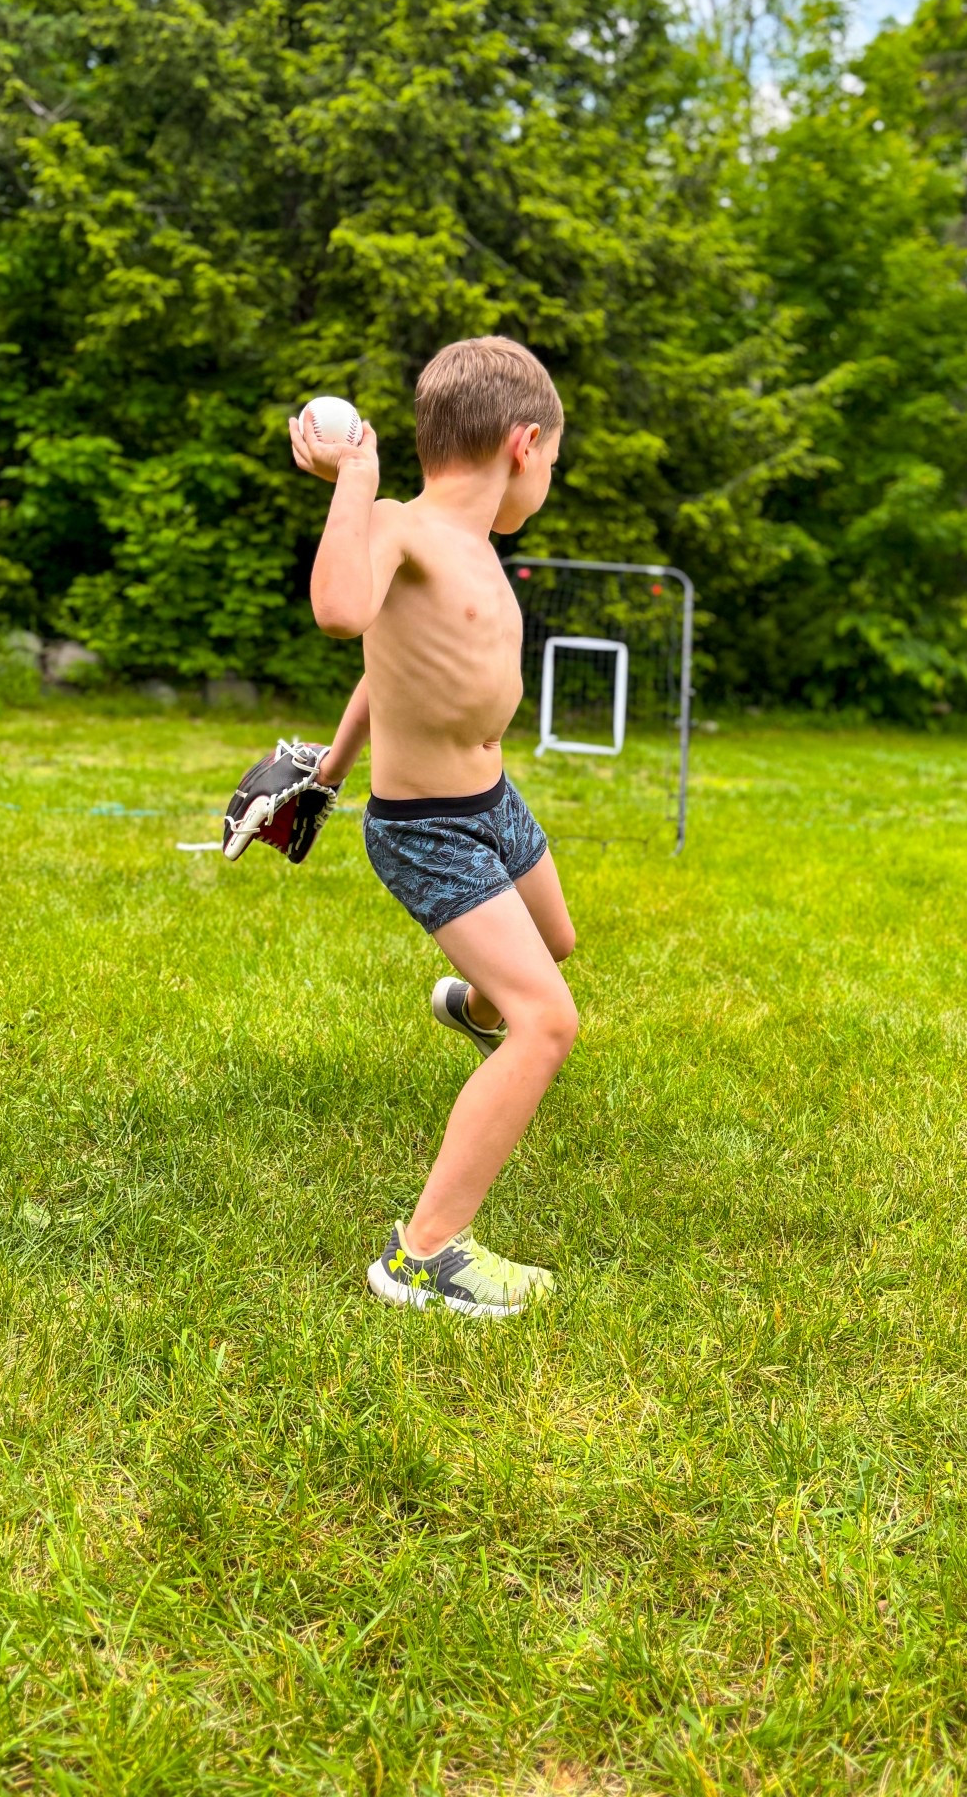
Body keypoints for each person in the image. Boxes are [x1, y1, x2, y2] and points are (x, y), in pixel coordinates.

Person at [293, 336, 576, 1317]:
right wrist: (357, 477)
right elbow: (340, 611)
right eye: (552, 463)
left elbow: (386, 665)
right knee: (546, 1020)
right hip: (428, 827)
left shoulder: (478, 548)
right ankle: (421, 1254)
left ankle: (472, 1004)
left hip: (494, 800)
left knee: (557, 946)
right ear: (523, 445)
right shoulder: (398, 525)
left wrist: (327, 768)